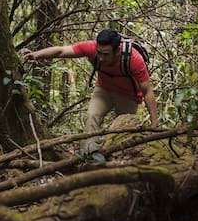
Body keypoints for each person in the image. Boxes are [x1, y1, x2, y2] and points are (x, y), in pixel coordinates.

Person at [21, 29, 158, 145]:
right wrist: (36, 54)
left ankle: (121, 162)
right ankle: (89, 156)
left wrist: (154, 125)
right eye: (99, 53)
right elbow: (61, 51)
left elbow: (147, 91)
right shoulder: (92, 48)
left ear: (118, 51)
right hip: (104, 90)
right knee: (92, 117)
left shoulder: (134, 59)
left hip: (128, 96)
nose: (101, 58)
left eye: (106, 54)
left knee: (124, 130)